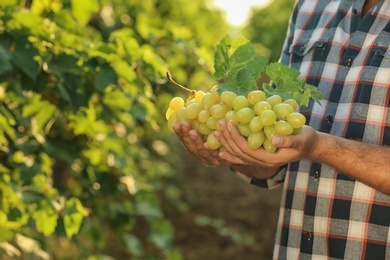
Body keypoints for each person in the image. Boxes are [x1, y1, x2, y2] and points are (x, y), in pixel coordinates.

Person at [173, 0, 390, 259]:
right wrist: (235, 153)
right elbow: (274, 148)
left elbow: (308, 143)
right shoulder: (310, 8)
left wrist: (320, 147)